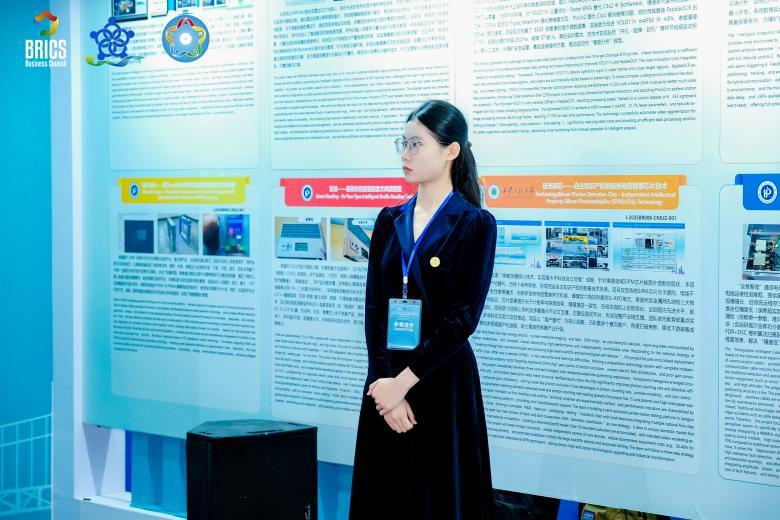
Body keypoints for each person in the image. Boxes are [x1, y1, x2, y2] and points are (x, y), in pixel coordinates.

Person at [349, 99, 497, 519]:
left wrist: (403, 384)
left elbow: (462, 319)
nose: (405, 154)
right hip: (385, 382)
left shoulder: (474, 224)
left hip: (440, 381)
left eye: (416, 144)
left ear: (451, 150)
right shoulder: (388, 219)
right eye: (403, 142)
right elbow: (375, 307)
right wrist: (384, 385)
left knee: (436, 497)